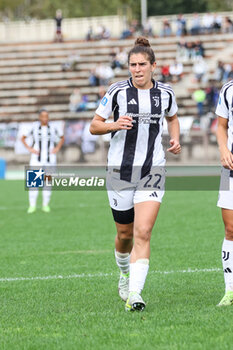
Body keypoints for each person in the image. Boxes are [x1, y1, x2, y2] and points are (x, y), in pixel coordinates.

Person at [89, 37, 181, 312]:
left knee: (143, 231)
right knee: (125, 234)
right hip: (120, 171)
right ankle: (123, 272)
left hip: (152, 169)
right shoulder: (117, 91)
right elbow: (94, 126)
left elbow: (173, 118)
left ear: (154, 66)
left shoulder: (165, 93)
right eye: (132, 65)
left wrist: (175, 139)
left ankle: (135, 295)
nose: (137, 69)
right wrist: (114, 124)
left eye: (142, 64)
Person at [21, 108, 64, 214]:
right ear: (39, 117)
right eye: (43, 116)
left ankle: (45, 205)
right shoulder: (34, 126)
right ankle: (32, 205)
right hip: (36, 159)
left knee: (47, 182)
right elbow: (23, 138)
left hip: (50, 159)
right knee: (34, 182)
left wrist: (57, 148)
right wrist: (30, 149)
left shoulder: (53, 127)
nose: (45, 118)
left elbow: (62, 137)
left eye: (47, 116)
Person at [215, 80, 233, 306]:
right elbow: (221, 125)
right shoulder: (229, 89)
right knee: (230, 228)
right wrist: (224, 149)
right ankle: (230, 290)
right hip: (231, 166)